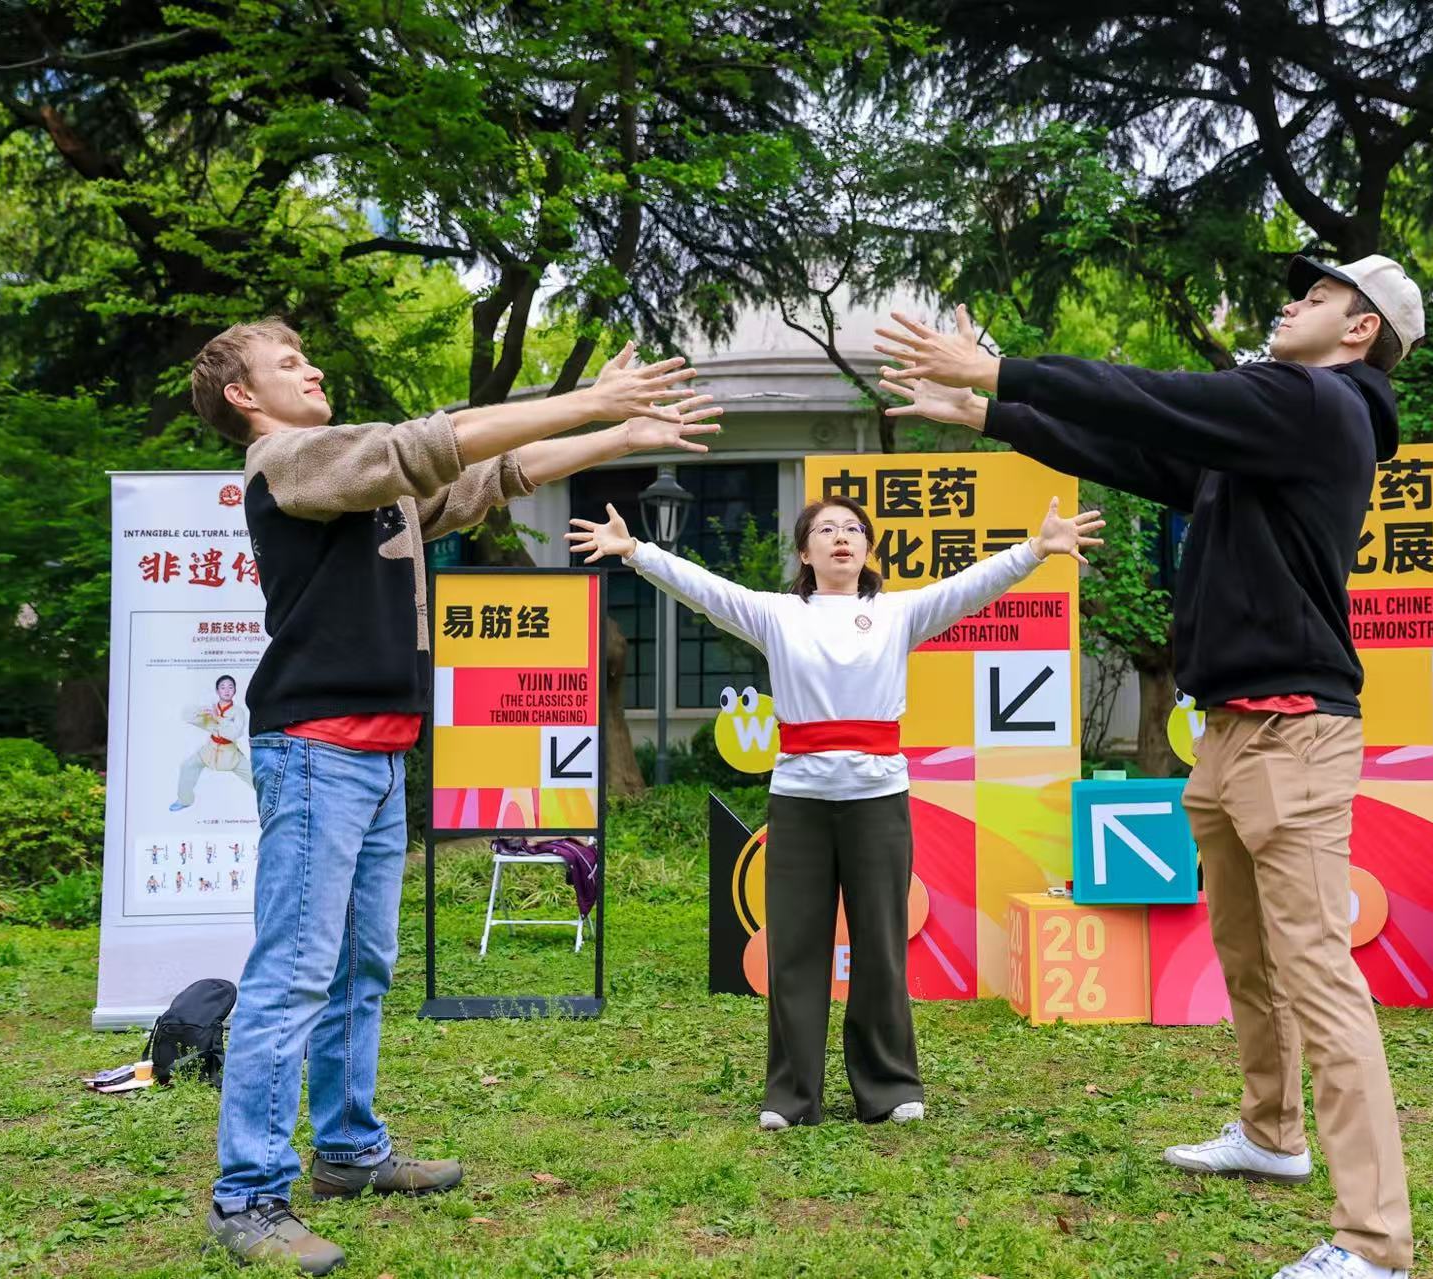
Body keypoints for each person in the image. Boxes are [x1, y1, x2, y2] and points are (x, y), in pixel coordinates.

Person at [874, 254, 1425, 1279]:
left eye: (1318, 296)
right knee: (1250, 958)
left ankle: (1375, 1243)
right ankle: (1272, 1132)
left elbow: (1151, 394)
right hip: (1233, 734)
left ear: (1360, 332)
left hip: (1295, 734)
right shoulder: (1267, 440)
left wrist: (1003, 371)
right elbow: (1137, 448)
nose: (1293, 300)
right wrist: (993, 412)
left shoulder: (1319, 405)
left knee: (1319, 978)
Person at [190, 316, 715, 1275]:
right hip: (314, 752)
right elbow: (426, 443)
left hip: (379, 757)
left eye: (308, 356)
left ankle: (348, 1151)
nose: (312, 368)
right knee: (293, 976)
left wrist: (618, 434)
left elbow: (486, 478)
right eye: (288, 363)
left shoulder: (362, 489)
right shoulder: (291, 462)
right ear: (243, 396)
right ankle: (248, 1196)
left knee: (362, 969)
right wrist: (591, 398)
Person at [568, 492, 1103, 1130]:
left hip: (878, 798)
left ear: (867, 548)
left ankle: (888, 1087)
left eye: (852, 529)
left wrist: (1035, 549)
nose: (841, 537)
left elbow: (970, 588)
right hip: (800, 800)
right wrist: (636, 551)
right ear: (805, 551)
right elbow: (705, 591)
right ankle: (792, 1095)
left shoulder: (898, 612)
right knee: (795, 946)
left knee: (881, 942)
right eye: (825, 530)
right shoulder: (777, 615)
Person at [171, 674, 252, 811]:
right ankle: (185, 800)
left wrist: (218, 718)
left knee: (255, 778)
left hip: (230, 753)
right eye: (222, 687)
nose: (226, 690)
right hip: (210, 750)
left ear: (235, 690)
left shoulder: (238, 712)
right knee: (187, 766)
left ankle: (273, 802)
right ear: (217, 691)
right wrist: (201, 712)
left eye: (230, 687)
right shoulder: (211, 707)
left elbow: (234, 734)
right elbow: (187, 716)